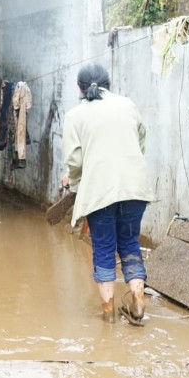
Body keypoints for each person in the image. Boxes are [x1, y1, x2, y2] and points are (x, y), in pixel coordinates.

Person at [61, 63, 152, 326]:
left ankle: (109, 313)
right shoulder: (128, 105)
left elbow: (75, 161)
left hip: (100, 192)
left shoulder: (75, 115)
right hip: (134, 188)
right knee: (130, 243)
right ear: (107, 84)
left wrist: (73, 178)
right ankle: (137, 296)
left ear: (80, 88)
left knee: (103, 248)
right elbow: (140, 142)